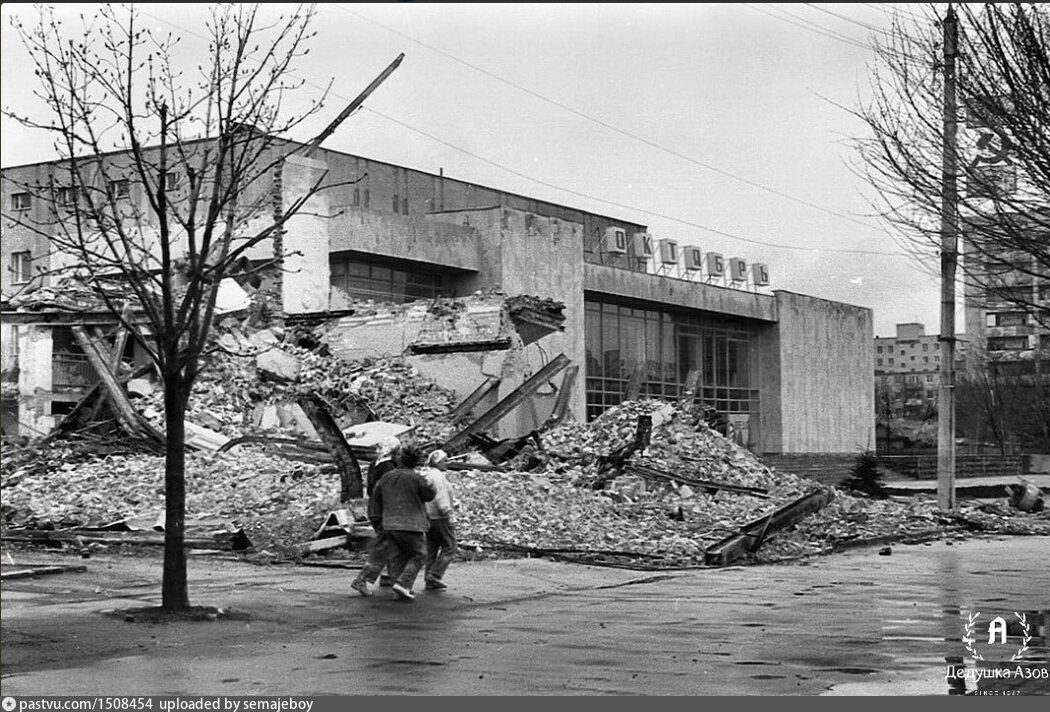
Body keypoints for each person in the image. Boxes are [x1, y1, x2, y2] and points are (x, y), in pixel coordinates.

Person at [351, 442, 435, 601]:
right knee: (419, 554)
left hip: (388, 523)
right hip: (411, 523)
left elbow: (375, 497)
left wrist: (376, 520)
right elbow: (429, 494)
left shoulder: (386, 476)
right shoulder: (416, 479)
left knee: (394, 555)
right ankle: (402, 584)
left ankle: (396, 586)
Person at [420, 449, 458, 591]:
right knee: (450, 547)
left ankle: (429, 579)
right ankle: (435, 575)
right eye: (445, 460)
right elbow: (440, 497)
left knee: (432, 548)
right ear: (438, 462)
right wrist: (449, 515)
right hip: (439, 517)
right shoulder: (438, 477)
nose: (447, 463)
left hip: (428, 517)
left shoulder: (427, 474)